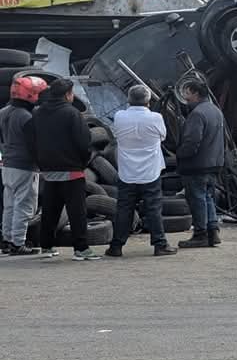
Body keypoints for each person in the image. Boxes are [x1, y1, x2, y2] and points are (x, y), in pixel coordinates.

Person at [27, 79, 99, 260]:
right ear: (68, 94)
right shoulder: (72, 113)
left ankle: (46, 246)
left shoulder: (38, 113)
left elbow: (30, 140)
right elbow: (84, 142)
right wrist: (83, 162)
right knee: (77, 212)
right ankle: (81, 249)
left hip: (48, 171)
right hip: (72, 170)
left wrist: (41, 162)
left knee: (50, 210)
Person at [106, 86, 177, 258]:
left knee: (124, 209)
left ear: (129, 99)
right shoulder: (156, 118)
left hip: (127, 172)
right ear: (148, 101)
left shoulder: (120, 116)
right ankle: (160, 244)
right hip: (150, 172)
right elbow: (163, 137)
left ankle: (116, 246)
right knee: (153, 209)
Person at [0, 76, 47, 255]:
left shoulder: (4, 112)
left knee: (10, 205)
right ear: (31, 95)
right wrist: (43, 164)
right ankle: (18, 243)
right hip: (25, 166)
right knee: (24, 206)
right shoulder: (26, 117)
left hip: (8, 164)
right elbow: (34, 145)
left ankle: (7, 240)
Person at [177, 81, 226, 249]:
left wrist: (180, 155)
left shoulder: (197, 114)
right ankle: (213, 232)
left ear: (195, 93)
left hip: (197, 165)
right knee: (207, 197)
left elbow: (192, 141)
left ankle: (200, 234)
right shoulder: (216, 111)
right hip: (214, 164)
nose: (185, 97)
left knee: (197, 198)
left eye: (187, 93)